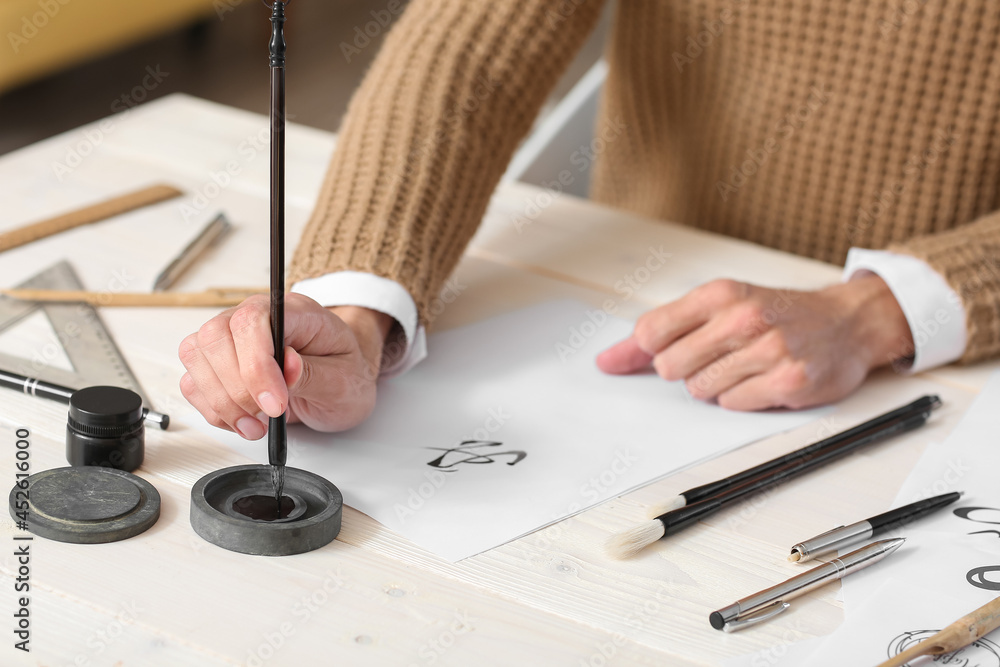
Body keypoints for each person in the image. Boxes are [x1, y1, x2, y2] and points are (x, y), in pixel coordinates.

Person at [179, 0, 1000, 440]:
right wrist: (355, 312)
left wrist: (879, 310)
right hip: (632, 314)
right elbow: (469, 46)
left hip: (937, 370)